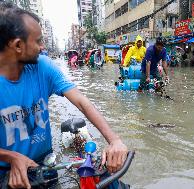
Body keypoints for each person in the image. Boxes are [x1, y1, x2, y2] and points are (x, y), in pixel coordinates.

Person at [0, 2, 128, 189]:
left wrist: (114, 140)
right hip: (7, 173)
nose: (43, 47)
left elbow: (81, 101)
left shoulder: (42, 66)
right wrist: (11, 157)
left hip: (45, 165)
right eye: (38, 41)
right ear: (18, 45)